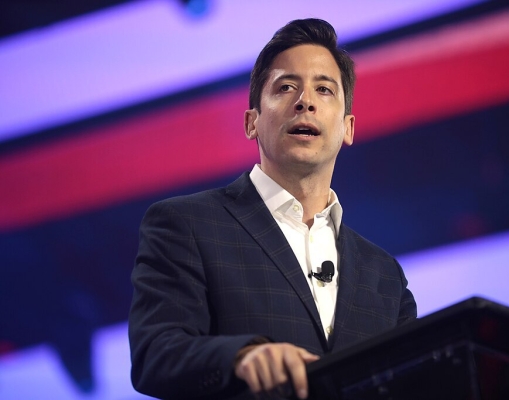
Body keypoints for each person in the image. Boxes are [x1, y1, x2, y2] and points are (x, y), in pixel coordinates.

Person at [128, 18, 416, 400]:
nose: (305, 101)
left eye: (324, 89)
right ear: (252, 122)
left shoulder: (385, 277)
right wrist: (242, 357)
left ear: (347, 128)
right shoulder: (186, 225)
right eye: (286, 87)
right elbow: (155, 353)